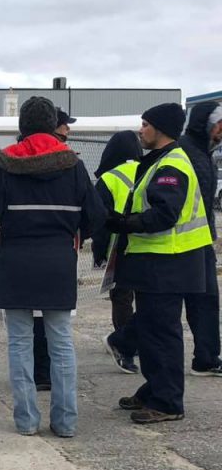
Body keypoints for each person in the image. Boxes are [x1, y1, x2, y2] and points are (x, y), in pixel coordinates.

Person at [0, 96, 105, 437]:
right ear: (52, 124)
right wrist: (76, 232)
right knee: (61, 343)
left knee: (20, 344)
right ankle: (65, 423)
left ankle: (27, 421)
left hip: (15, 261)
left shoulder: (4, 162)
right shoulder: (73, 163)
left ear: (21, 125)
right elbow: (96, 214)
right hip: (57, 261)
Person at [109, 103, 212, 424]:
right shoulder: (159, 162)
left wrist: (125, 223)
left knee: (162, 334)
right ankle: (154, 389)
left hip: (169, 261)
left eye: (145, 124)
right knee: (152, 330)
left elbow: (165, 214)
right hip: (159, 263)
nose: (141, 130)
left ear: (161, 128)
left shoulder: (172, 166)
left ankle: (167, 402)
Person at [32, 107, 78, 390]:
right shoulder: (67, 163)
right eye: (64, 126)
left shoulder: (13, 160)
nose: (67, 131)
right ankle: (44, 374)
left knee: (38, 320)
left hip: (38, 252)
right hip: (55, 251)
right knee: (50, 324)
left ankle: (42, 374)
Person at [92, 131, 143, 374]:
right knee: (146, 298)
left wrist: (99, 253)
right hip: (150, 244)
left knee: (122, 298)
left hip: (119, 246)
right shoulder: (152, 169)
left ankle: (123, 347)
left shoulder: (109, 179)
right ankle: (139, 340)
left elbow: (100, 221)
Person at [179, 102, 222, 376]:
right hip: (184, 243)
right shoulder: (188, 152)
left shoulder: (204, 153)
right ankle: (122, 341)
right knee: (169, 305)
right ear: (207, 124)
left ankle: (206, 358)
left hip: (200, 240)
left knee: (204, 299)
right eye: (220, 125)